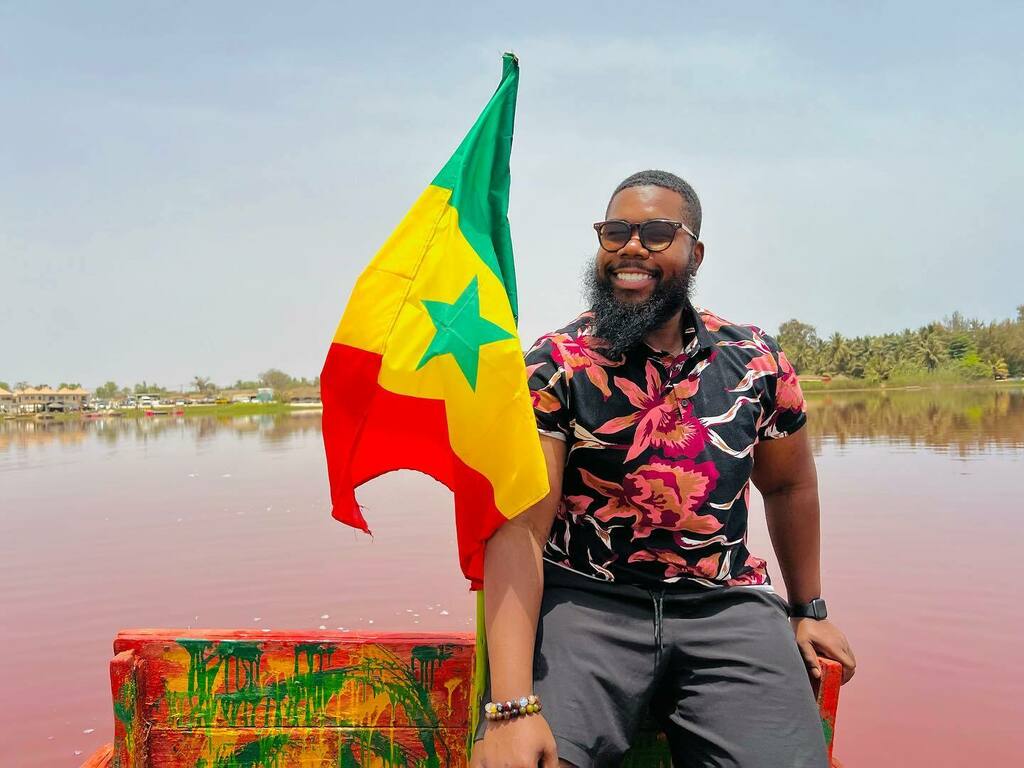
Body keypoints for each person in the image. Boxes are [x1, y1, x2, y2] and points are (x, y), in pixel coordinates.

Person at [471, 170, 856, 768]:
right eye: (616, 231)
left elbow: (788, 484)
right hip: (586, 605)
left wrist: (808, 610)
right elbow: (520, 529)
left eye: (656, 233)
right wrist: (512, 708)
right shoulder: (558, 364)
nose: (631, 246)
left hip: (725, 606)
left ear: (694, 252)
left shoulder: (753, 360)